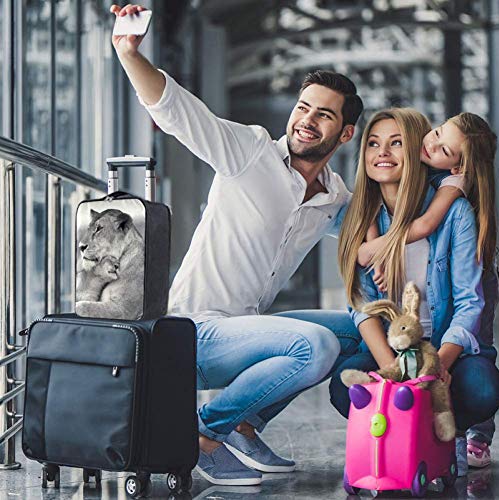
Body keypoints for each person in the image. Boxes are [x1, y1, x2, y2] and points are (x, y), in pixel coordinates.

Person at [110, 4, 364, 486]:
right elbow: (180, 112)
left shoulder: (333, 198)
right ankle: (202, 433)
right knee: (316, 347)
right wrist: (128, 53)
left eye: (324, 115)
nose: (307, 120)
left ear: (345, 133)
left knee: (355, 330)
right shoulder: (249, 152)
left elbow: (386, 226)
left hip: (246, 329)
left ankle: (246, 423)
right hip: (194, 333)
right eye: (303, 107)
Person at [327, 107, 499, 477]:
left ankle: (451, 432)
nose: (382, 152)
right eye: (373, 143)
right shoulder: (362, 215)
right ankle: (407, 433)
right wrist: (391, 366)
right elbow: (363, 305)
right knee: (343, 388)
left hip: (444, 346)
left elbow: (471, 303)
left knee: (483, 389)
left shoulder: (453, 210)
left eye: (396, 143)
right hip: (396, 346)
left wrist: (434, 368)